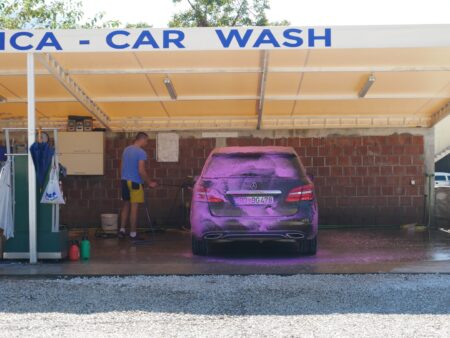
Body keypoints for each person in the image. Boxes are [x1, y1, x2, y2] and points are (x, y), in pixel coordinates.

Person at [119, 132, 157, 240]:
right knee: (134, 208)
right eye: (146, 141)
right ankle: (133, 233)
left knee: (126, 206)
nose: (146, 143)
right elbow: (141, 171)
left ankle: (122, 230)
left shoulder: (126, 150)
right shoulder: (141, 152)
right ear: (142, 139)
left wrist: (123, 178)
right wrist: (150, 182)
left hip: (124, 181)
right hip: (135, 183)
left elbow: (121, 166)